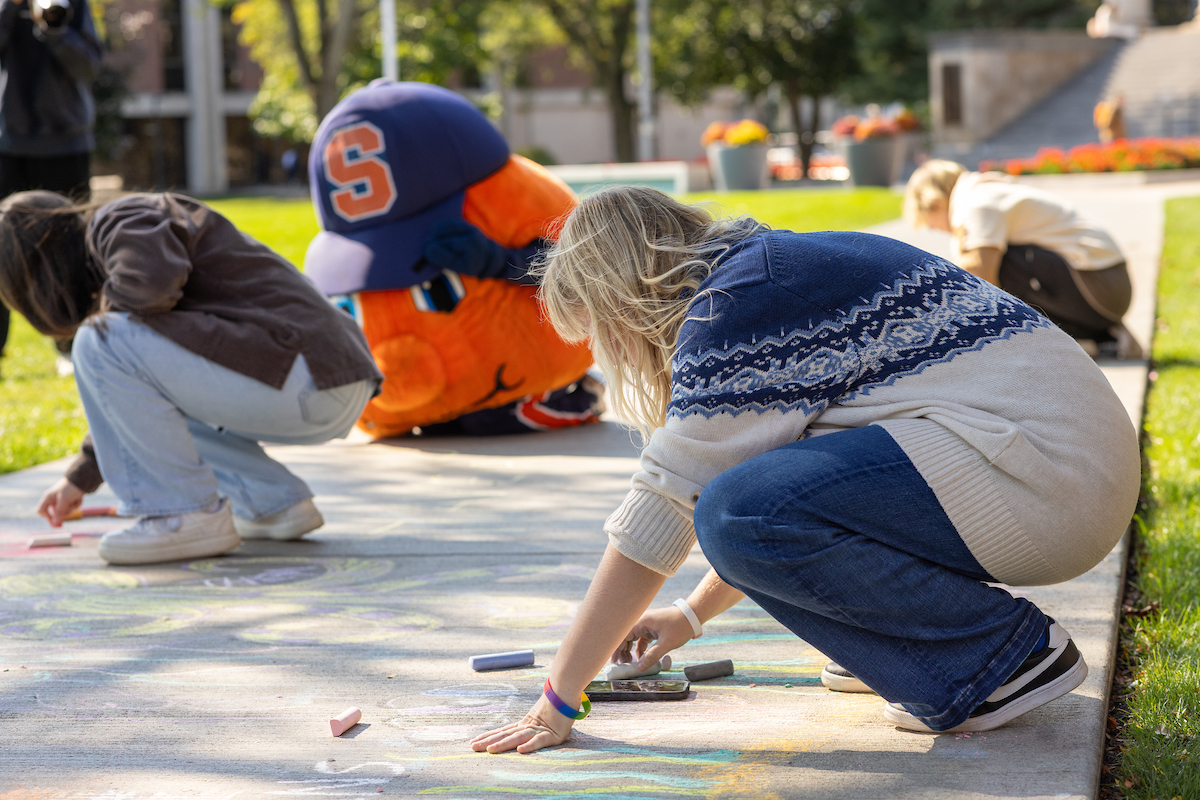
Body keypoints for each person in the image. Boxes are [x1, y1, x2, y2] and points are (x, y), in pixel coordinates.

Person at [469, 186, 1140, 752]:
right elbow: (795, 492)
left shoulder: (738, 303)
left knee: (733, 512)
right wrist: (689, 618)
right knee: (753, 503)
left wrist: (558, 698)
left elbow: (672, 512)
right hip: (1057, 471)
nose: (609, 352)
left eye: (600, 332)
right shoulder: (769, 269)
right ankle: (920, 652)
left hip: (1044, 477)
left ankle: (998, 660)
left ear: (624, 300)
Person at [0, 190, 383, 565]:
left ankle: (182, 514)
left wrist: (104, 334)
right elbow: (143, 403)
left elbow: (150, 284)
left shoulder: (119, 218)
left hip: (306, 371)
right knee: (110, 345)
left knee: (98, 340)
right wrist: (80, 477)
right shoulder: (117, 245)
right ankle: (272, 504)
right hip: (323, 380)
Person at [904, 159, 1142, 359]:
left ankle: (1033, 343)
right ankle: (1100, 339)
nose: (935, 229)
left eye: (929, 222)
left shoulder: (975, 202)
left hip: (1098, 287)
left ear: (934, 203)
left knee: (995, 266)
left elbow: (979, 274)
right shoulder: (985, 190)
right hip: (1108, 287)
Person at [0, 0, 102, 377]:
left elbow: (89, 67)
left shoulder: (74, 5)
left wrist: (56, 29)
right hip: (7, 143)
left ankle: (72, 346)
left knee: (73, 247)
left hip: (66, 142)